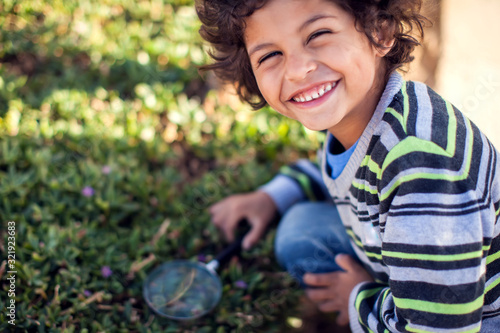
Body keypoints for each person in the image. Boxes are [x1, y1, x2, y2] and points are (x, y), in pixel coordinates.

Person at [195, 0, 500, 331]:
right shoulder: (364, 115)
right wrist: (271, 197)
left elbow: (440, 328)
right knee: (300, 234)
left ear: (380, 32)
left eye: (319, 34)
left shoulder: (422, 167)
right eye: (270, 55)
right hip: (418, 262)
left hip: (473, 320)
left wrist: (356, 298)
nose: (296, 69)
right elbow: (348, 171)